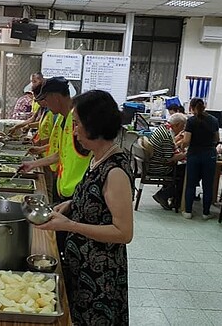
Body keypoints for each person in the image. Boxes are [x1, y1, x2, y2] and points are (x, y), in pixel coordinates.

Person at [36, 90, 133, 326]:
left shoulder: (116, 170)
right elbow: (96, 199)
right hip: (81, 267)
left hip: (100, 277)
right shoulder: (96, 158)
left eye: (77, 124)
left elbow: (124, 233)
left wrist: (71, 225)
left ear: (93, 125)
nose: (74, 130)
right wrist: (70, 204)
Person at [20, 77, 92, 256]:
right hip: (65, 191)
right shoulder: (64, 119)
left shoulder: (77, 122)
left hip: (77, 194)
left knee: (71, 247)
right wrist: (32, 164)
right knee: (61, 245)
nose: (44, 103)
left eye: (46, 98)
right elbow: (59, 154)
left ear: (56, 97)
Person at [181, 97, 220, 220]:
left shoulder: (191, 121)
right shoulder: (214, 120)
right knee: (208, 185)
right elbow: (217, 139)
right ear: (204, 106)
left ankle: (188, 211)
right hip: (209, 154)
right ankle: (206, 213)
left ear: (191, 108)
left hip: (194, 154)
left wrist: (181, 145)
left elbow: (187, 141)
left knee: (191, 184)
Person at [149, 113, 187, 210]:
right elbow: (170, 158)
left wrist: (177, 141)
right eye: (182, 126)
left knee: (183, 170)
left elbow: (170, 148)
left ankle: (168, 196)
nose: (183, 129)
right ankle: (164, 195)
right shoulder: (166, 135)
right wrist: (187, 154)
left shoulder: (163, 129)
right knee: (187, 172)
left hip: (153, 163)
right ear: (177, 125)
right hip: (159, 166)